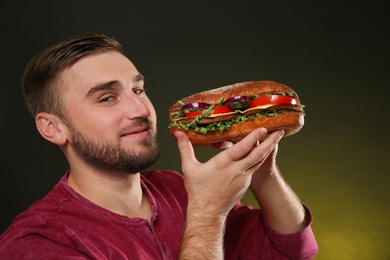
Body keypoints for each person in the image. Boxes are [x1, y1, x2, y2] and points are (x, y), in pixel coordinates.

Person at [0, 33, 318, 259]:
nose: (141, 110)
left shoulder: (181, 188)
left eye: (138, 89)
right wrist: (207, 215)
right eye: (107, 97)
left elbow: (292, 250)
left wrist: (262, 172)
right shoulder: (37, 242)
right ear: (53, 128)